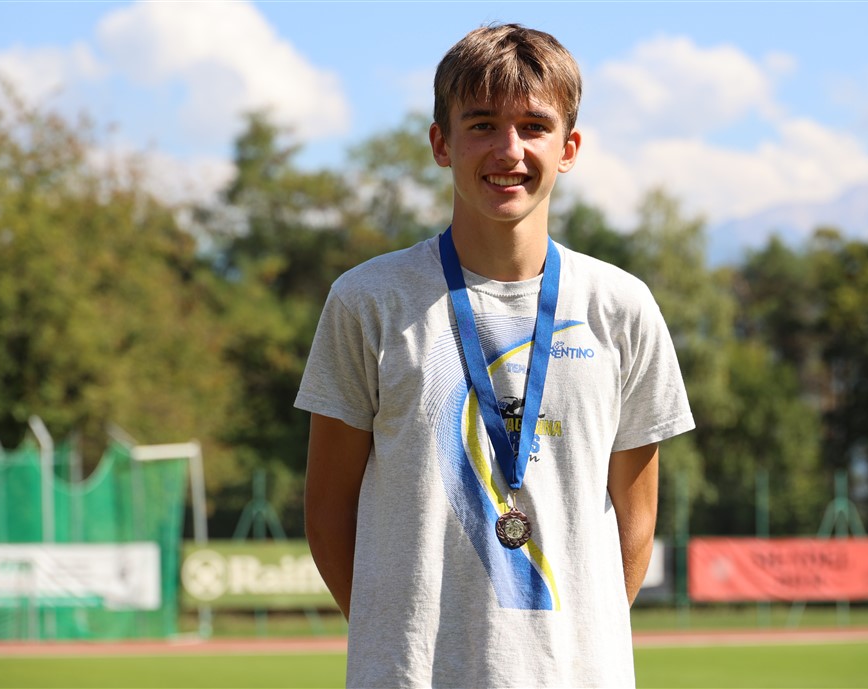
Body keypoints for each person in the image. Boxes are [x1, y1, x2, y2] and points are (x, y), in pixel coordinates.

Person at [298, 23, 695, 688]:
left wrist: (576, 652)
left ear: (568, 148)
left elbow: (636, 517)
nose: (509, 149)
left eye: (534, 126)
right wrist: (397, 643)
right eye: (481, 124)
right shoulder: (368, 301)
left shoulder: (620, 306)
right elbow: (328, 511)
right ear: (441, 143)